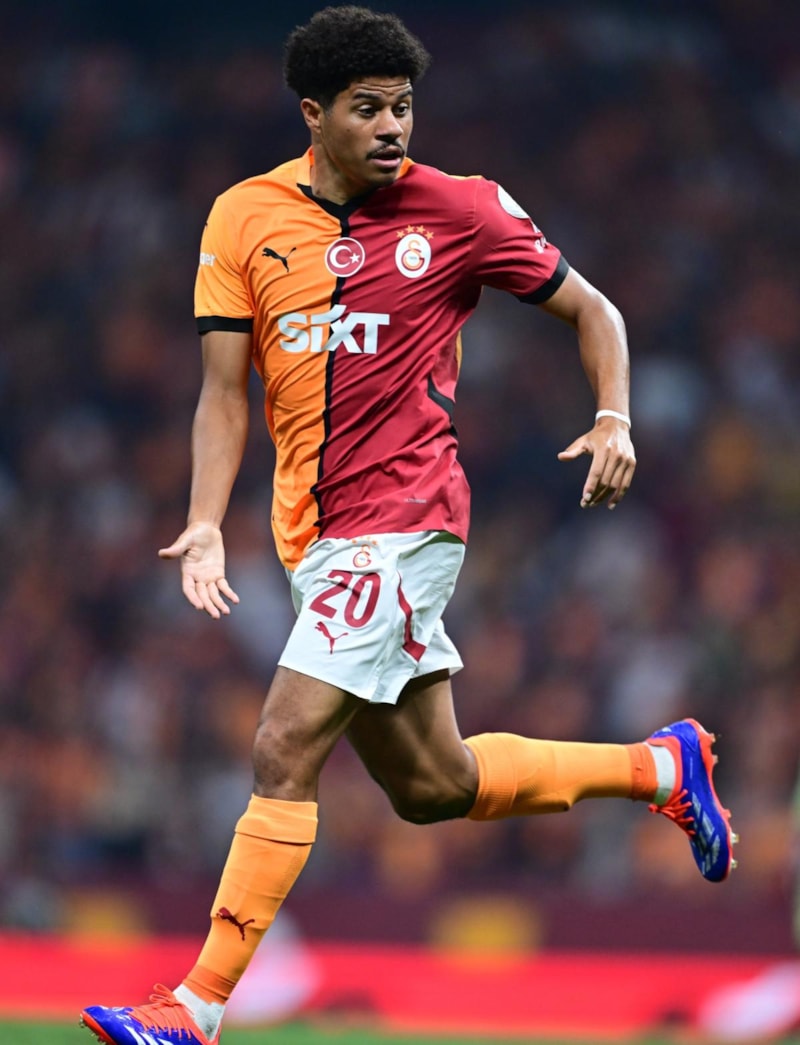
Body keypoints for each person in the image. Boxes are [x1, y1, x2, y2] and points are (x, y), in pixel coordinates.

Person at [80, 7, 737, 1044]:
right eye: (368, 108)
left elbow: (595, 310)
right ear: (313, 114)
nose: (392, 127)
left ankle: (193, 1006)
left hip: (406, 518)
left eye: (402, 107)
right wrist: (203, 521)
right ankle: (660, 768)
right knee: (434, 784)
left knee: (282, 745)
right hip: (311, 534)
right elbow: (221, 392)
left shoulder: (463, 208)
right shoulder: (243, 218)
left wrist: (613, 417)